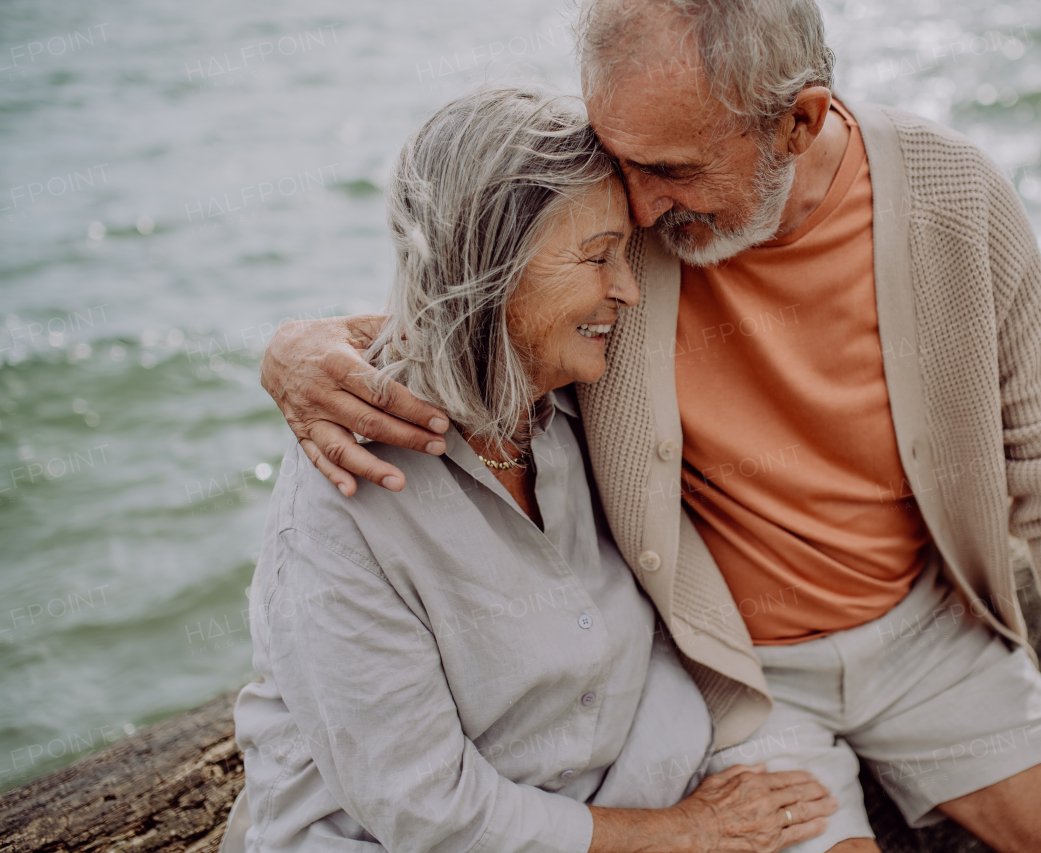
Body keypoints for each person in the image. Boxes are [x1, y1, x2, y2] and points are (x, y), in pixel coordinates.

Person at [256, 2, 1041, 851]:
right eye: (621, 164)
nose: (635, 206)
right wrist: (294, 350)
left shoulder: (951, 196)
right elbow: (483, 276)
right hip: (729, 681)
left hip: (932, 643)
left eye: (667, 169)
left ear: (797, 120)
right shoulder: (631, 199)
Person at [225, 85, 837, 853]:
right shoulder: (346, 499)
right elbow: (428, 812)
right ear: (494, 266)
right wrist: (682, 833)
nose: (629, 288)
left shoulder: (579, 391)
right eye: (598, 257)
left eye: (626, 250)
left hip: (646, 764)